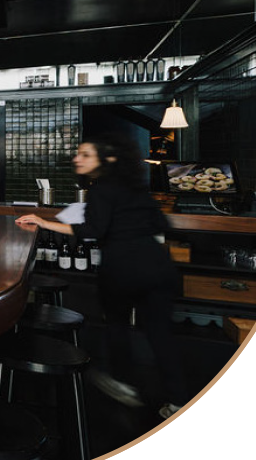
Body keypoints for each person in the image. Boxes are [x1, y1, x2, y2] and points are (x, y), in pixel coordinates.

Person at [16, 133, 188, 420]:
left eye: (85, 154)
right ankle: (178, 401)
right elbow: (160, 222)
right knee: (161, 336)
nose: (76, 158)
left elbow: (92, 231)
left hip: (123, 268)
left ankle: (123, 384)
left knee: (117, 326)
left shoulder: (102, 189)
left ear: (106, 159)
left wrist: (44, 222)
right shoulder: (135, 186)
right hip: (159, 266)